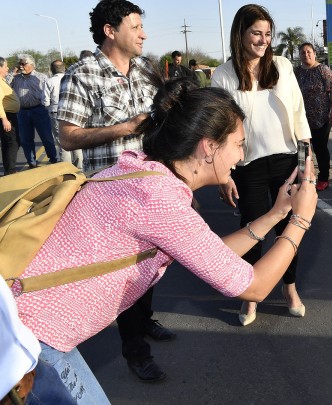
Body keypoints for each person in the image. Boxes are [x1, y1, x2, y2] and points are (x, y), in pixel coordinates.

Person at [14, 77, 318, 404]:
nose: (242, 156)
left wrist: (276, 213)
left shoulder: (144, 173)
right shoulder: (160, 202)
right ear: (208, 146)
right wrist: (300, 220)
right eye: (239, 143)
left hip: (31, 328)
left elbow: (215, 257)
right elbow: (254, 286)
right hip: (29, 341)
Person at [57, 0, 171, 383]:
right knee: (124, 273)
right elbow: (68, 137)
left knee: (152, 262)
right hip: (109, 194)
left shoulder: (145, 71)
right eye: (136, 26)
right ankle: (136, 351)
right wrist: (124, 128)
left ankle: (144, 320)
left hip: (151, 186)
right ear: (110, 30)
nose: (144, 34)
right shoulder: (83, 73)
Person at [212, 4, 312, 326]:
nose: (263, 40)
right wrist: (224, 175)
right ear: (240, 33)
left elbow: (298, 113)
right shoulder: (223, 75)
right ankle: (250, 294)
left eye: (268, 34)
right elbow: (219, 129)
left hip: (286, 162)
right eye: (256, 33)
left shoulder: (282, 66)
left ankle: (290, 288)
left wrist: (308, 158)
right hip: (247, 167)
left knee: (288, 229)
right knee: (254, 230)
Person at [295, 42, 332, 191]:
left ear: (314, 53)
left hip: (321, 119)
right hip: (301, 119)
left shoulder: (323, 70)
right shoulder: (297, 72)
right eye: (303, 53)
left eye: (308, 52)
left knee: (320, 149)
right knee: (302, 149)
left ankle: (324, 177)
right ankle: (305, 177)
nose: (306, 55)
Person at [11, 54, 59, 168]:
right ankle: (32, 162)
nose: (21, 66)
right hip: (22, 111)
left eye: (24, 64)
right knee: (26, 139)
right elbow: (5, 84)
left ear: (32, 65)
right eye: (20, 64)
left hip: (39, 110)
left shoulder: (41, 77)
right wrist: (13, 72)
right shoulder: (16, 78)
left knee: (46, 137)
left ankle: (53, 159)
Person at [44, 60, 83, 170]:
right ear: (64, 68)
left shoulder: (49, 81)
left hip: (56, 111)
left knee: (62, 141)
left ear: (52, 69)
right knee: (76, 138)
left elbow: (46, 101)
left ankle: (67, 168)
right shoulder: (74, 78)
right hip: (73, 110)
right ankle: (79, 167)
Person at [0, 57, 20, 176]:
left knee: (10, 143)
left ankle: (9, 167)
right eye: (5, 66)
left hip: (9, 115)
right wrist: (4, 119)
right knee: (12, 142)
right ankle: (10, 171)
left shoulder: (2, 80)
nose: (7, 68)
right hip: (6, 116)